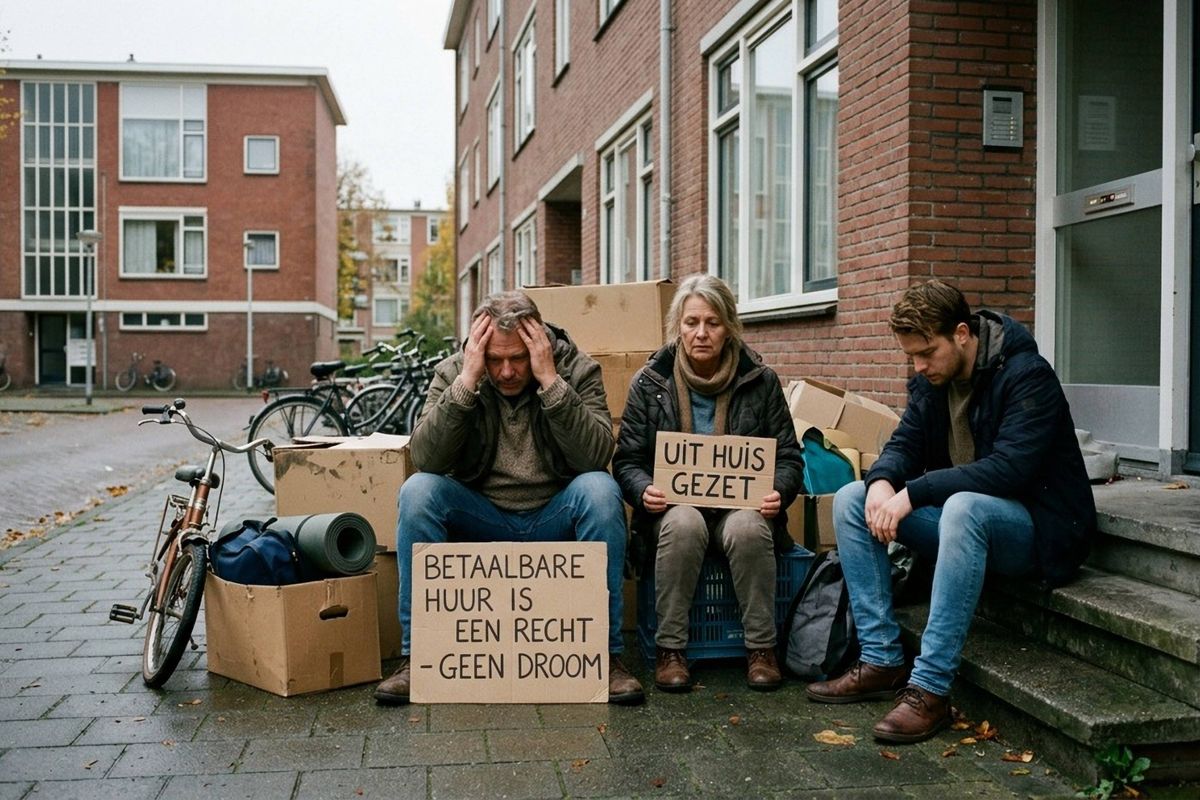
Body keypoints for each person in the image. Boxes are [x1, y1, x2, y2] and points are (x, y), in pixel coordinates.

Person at [806, 280, 1096, 743]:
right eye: (912, 357)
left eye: (926, 353)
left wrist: (912, 494)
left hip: (1038, 532)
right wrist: (882, 483)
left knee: (962, 507)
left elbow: (1009, 470)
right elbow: (905, 443)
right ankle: (881, 658)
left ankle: (930, 689)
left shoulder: (1027, 375)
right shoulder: (931, 379)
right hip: (967, 525)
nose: (919, 367)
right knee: (851, 498)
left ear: (962, 333)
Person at [374, 291, 644, 706]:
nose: (505, 372)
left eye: (517, 358)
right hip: (482, 514)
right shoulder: (455, 372)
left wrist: (551, 382)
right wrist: (467, 383)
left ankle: (604, 657)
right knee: (417, 493)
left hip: (555, 512)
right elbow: (426, 459)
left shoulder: (577, 369)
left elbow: (595, 457)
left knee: (601, 490)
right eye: (495, 360)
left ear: (539, 345)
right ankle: (419, 659)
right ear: (479, 347)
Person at [613, 275, 805, 693]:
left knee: (749, 527)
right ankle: (671, 649)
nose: (701, 333)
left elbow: (789, 456)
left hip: (740, 508)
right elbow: (626, 459)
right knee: (683, 523)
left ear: (730, 327)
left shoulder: (761, 380)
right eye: (691, 322)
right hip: (675, 511)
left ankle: (761, 648)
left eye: (713, 322)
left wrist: (778, 490)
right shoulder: (650, 382)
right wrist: (644, 490)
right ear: (677, 327)